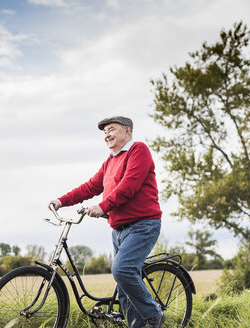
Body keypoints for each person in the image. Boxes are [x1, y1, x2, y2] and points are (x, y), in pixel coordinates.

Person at [49, 116, 165, 328]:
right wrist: (61, 201)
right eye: (104, 132)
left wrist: (103, 206)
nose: (107, 135)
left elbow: (128, 186)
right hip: (119, 229)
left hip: (143, 225)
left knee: (122, 270)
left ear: (127, 131)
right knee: (124, 287)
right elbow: (90, 187)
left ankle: (154, 315)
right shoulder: (110, 161)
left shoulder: (138, 150)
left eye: (111, 130)